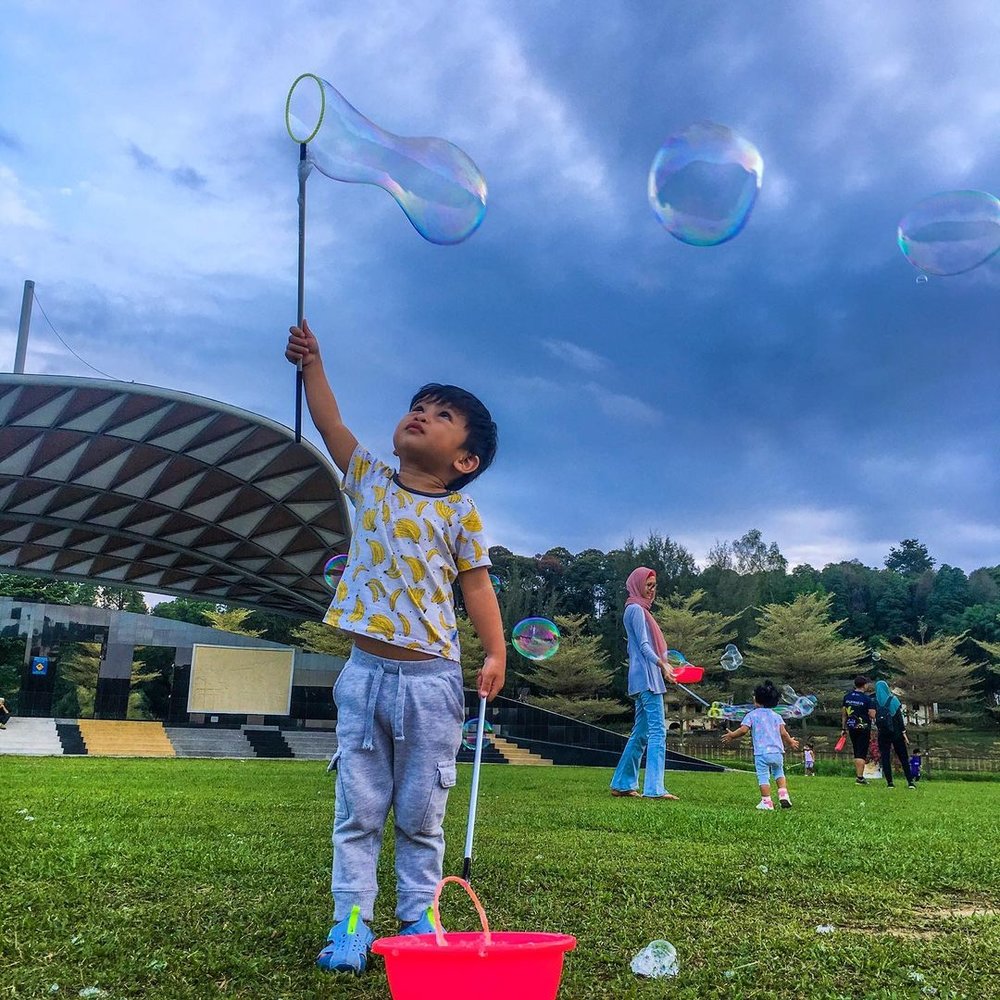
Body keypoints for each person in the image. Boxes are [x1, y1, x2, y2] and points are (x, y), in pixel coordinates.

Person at [286, 319, 505, 975]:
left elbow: (478, 590)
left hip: (432, 685)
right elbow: (330, 426)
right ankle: (350, 922)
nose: (420, 415)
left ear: (465, 461)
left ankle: (418, 916)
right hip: (364, 675)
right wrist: (313, 364)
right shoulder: (371, 481)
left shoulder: (461, 515)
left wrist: (495, 653)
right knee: (359, 809)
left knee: (419, 812)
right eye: (418, 407)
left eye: (441, 416)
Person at [609, 567, 679, 801]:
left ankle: (622, 783)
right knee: (658, 731)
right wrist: (663, 665)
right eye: (648, 585)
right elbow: (644, 646)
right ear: (637, 585)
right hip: (648, 679)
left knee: (640, 733)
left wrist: (663, 667)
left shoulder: (634, 609)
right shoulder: (636, 610)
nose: (652, 590)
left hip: (641, 678)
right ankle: (654, 789)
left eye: (654, 586)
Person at [721, 681, 799, 809]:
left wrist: (731, 735)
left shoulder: (752, 715)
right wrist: (791, 742)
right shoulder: (777, 716)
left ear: (757, 700)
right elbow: (783, 733)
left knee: (763, 776)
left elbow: (743, 730)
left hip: (762, 753)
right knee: (779, 772)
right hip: (777, 753)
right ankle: (783, 795)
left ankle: (767, 802)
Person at [874, 680, 915, 789]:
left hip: (883, 733)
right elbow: (899, 718)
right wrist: (903, 732)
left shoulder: (875, 701)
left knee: (885, 757)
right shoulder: (894, 700)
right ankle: (910, 781)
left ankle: (890, 783)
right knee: (903, 757)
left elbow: (874, 718)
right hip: (896, 732)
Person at [841, 675, 876, 785]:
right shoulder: (867, 699)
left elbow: (844, 714)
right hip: (863, 727)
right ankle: (860, 777)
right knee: (861, 752)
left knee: (856, 750)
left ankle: (859, 775)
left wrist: (843, 728)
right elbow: (872, 714)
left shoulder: (847, 697)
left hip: (851, 726)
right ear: (864, 685)